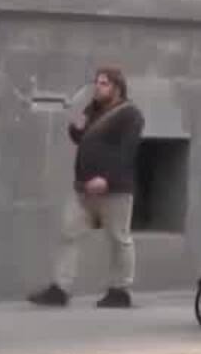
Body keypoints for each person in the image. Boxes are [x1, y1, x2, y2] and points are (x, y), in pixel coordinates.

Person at [30, 67, 143, 308]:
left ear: (117, 87)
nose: (97, 87)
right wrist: (75, 129)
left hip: (116, 190)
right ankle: (60, 289)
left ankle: (120, 290)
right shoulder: (93, 109)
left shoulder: (130, 115)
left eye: (103, 83)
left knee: (119, 239)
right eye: (97, 83)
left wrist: (107, 179)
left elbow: (127, 152)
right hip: (83, 189)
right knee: (68, 232)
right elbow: (82, 139)